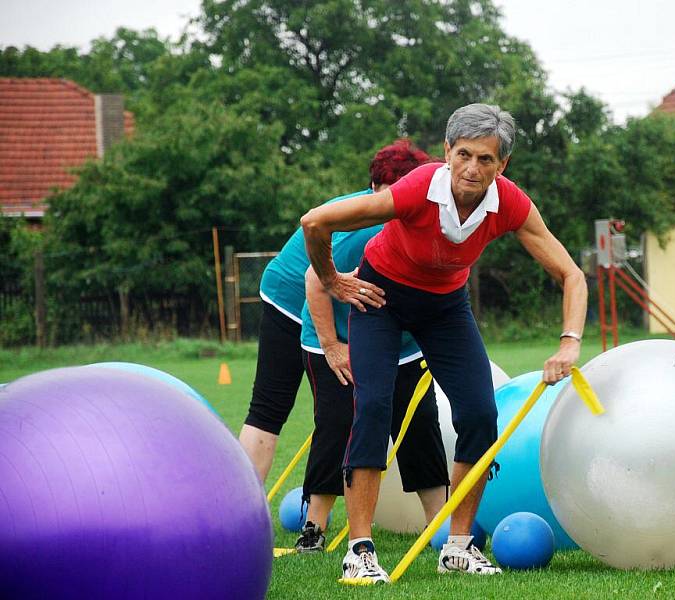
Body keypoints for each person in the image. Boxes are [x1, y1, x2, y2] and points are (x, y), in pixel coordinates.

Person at [301, 103, 587, 583]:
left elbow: (571, 274)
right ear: (448, 153)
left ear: (503, 166)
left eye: (486, 160)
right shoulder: (416, 189)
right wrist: (333, 280)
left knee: (479, 413)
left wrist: (569, 342)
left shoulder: (511, 204)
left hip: (446, 308)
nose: (472, 169)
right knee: (372, 406)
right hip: (382, 299)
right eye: (464, 155)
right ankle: (360, 550)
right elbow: (315, 222)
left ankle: (458, 546)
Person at [237, 141, 446, 486]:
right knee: (269, 406)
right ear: (377, 187)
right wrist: (330, 345)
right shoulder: (368, 224)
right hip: (287, 300)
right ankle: (243, 506)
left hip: (324, 295)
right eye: (390, 190)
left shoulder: (403, 218)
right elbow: (316, 280)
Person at [295, 142, 449, 553]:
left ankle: (443, 529)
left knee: (420, 428)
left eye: (398, 190)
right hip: (336, 340)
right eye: (383, 190)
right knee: (338, 425)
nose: (389, 200)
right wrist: (331, 347)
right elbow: (315, 279)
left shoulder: (431, 220)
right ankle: (314, 528)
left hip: (404, 344)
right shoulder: (359, 228)